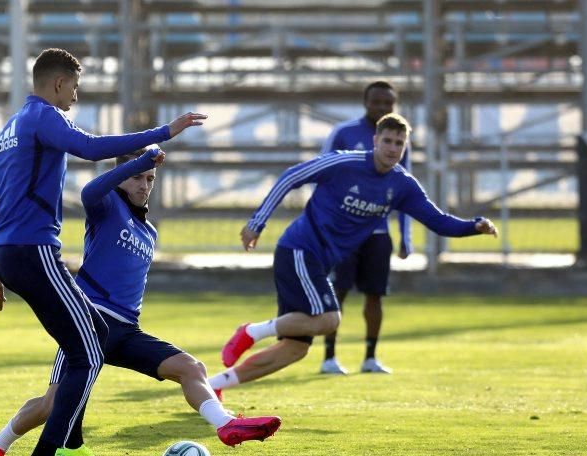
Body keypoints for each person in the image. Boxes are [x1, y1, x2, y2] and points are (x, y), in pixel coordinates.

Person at [0, 47, 206, 456]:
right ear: (58, 84)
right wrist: (163, 135)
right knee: (90, 349)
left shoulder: (8, 130)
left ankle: (69, 443)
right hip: (34, 250)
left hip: (8, 253)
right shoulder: (43, 116)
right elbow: (92, 149)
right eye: (74, 87)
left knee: (90, 338)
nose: (74, 97)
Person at [0, 147, 282, 456]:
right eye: (137, 177)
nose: (144, 185)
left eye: (150, 179)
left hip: (126, 330)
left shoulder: (150, 233)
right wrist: (136, 162)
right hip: (87, 320)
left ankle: (225, 425)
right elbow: (89, 191)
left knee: (192, 367)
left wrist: (142, 167)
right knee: (52, 405)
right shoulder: (106, 204)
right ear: (121, 177)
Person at [209, 113, 497, 399]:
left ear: (405, 147)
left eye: (399, 143)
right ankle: (251, 331)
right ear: (374, 140)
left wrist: (474, 226)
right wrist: (257, 223)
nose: (392, 148)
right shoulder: (345, 163)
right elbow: (291, 176)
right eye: (387, 140)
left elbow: (439, 222)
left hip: (318, 263)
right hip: (300, 250)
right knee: (330, 320)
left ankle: (215, 384)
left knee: (295, 349)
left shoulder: (402, 185)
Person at [319, 81, 412, 375]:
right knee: (339, 292)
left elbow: (405, 190)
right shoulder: (344, 133)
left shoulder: (398, 140)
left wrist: (404, 235)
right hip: (344, 233)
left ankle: (370, 357)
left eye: (388, 103)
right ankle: (329, 357)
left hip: (378, 234)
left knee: (375, 294)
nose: (383, 107)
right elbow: (321, 174)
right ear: (365, 102)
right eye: (377, 102)